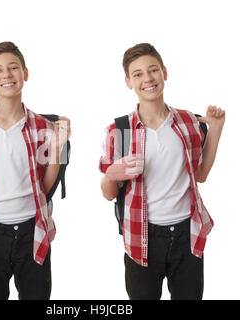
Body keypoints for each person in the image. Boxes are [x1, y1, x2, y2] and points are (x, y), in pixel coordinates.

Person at [99, 43, 225, 300]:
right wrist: (113, 173)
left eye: (153, 70)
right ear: (128, 82)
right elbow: (108, 194)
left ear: (164, 72)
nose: (148, 79)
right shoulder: (119, 130)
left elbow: (200, 175)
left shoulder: (189, 121)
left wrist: (216, 130)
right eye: (138, 74)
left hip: (186, 234)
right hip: (141, 235)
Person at [0, 41, 71, 300]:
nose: (6, 75)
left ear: (25, 74)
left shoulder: (45, 126)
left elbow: (47, 187)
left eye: (13, 68)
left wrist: (58, 147)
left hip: (33, 233)